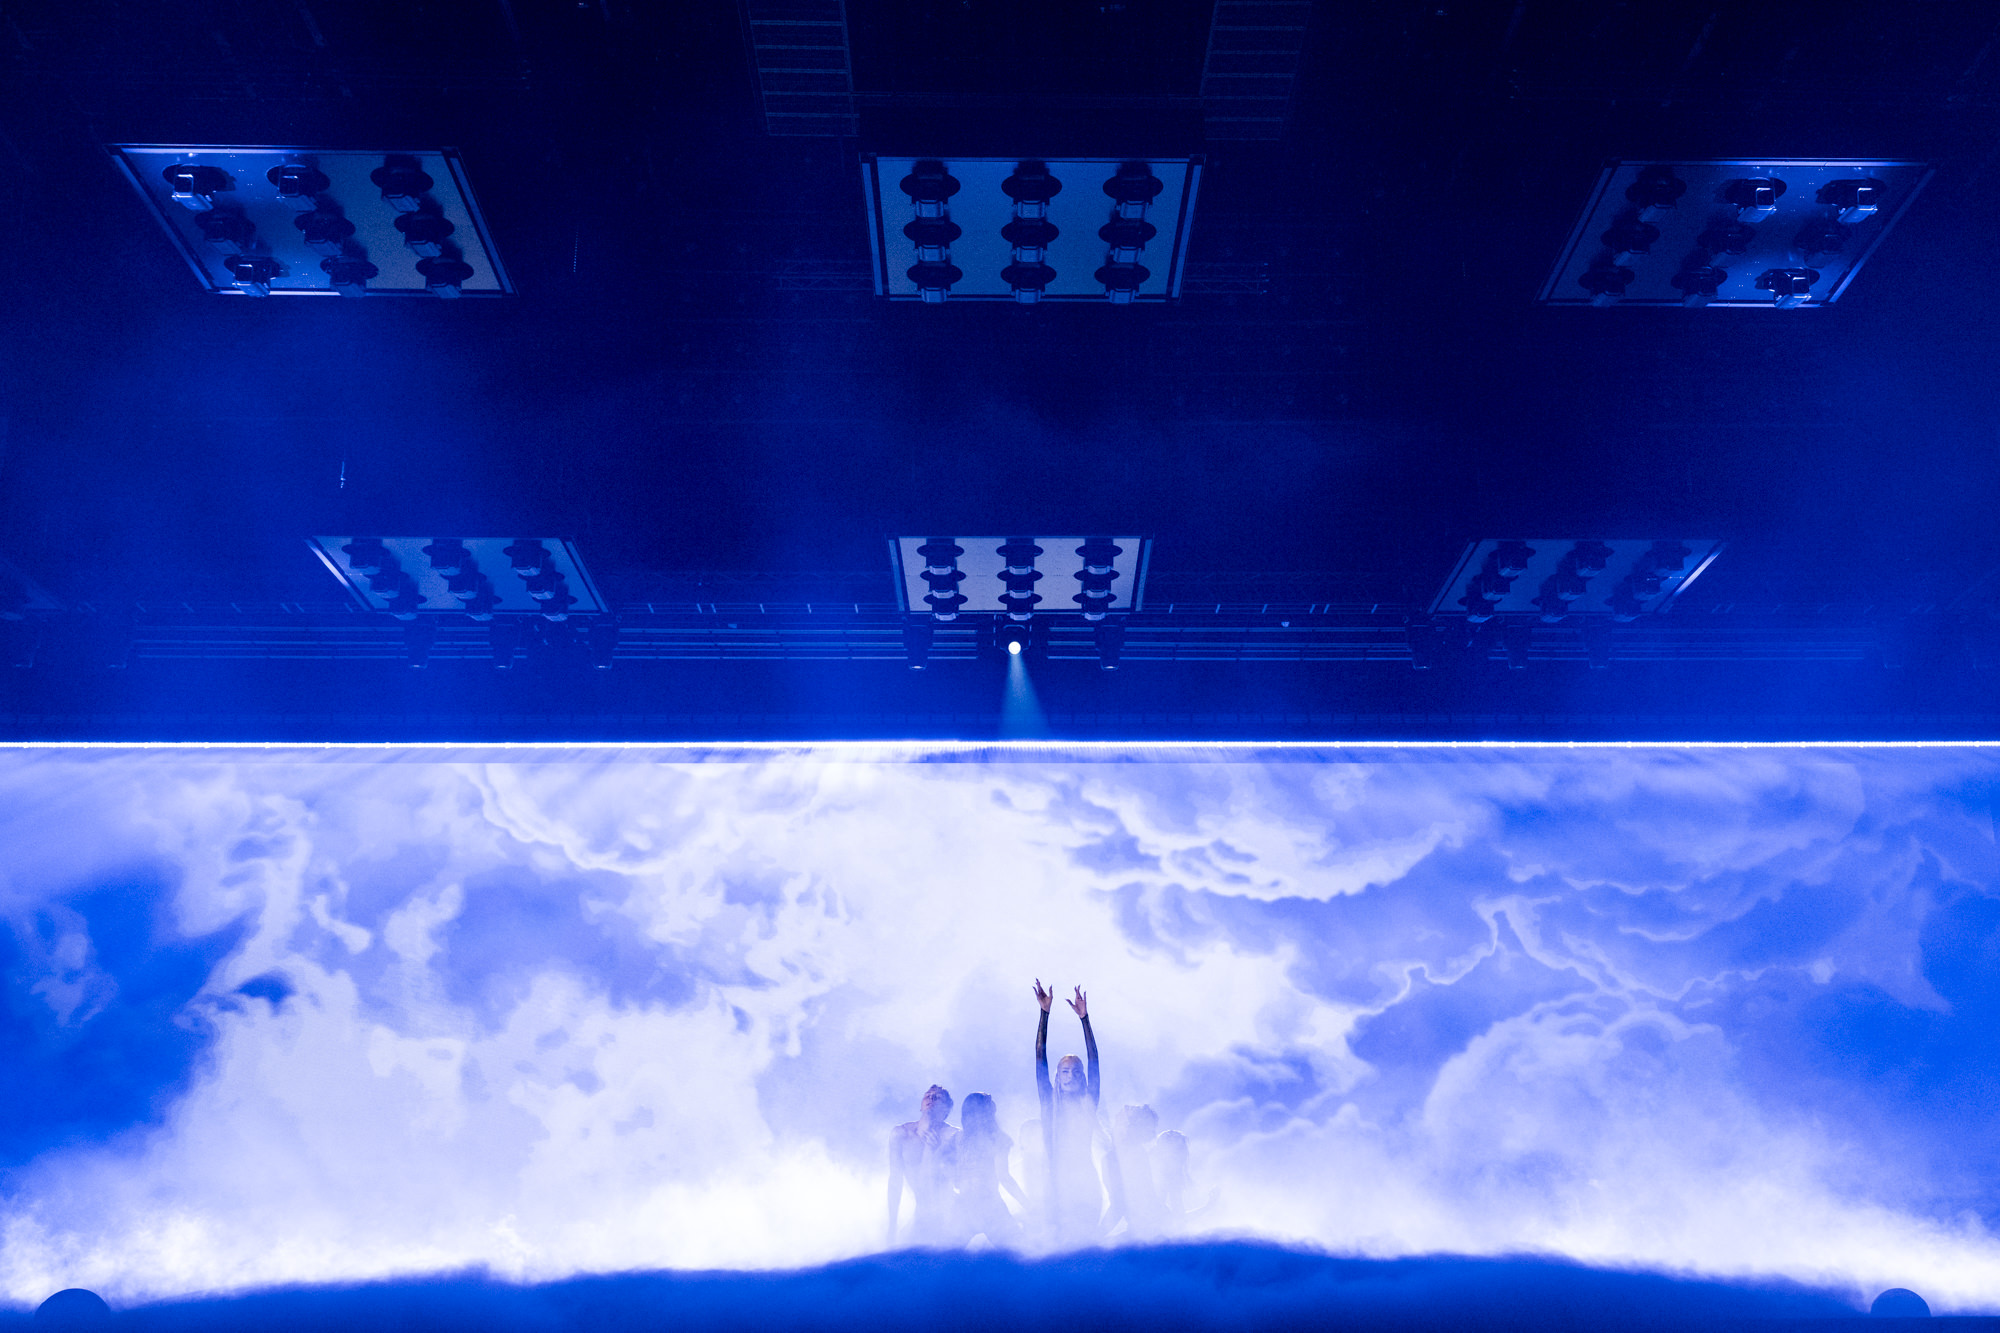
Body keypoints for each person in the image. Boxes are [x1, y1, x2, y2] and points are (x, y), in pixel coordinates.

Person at [1033, 980, 1125, 1243]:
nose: (1070, 1076)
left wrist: (1085, 1019)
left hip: (1085, 1181)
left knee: (1085, 1243)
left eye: (1075, 1071)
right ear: (1057, 1077)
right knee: (1056, 1245)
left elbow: (1094, 1059)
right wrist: (1044, 1014)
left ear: (1082, 1076)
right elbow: (1040, 1057)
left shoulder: (1088, 1102)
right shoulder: (1049, 1102)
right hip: (1054, 1183)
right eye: (1065, 1071)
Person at [887, 1084, 959, 1245]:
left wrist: (937, 1152)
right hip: (921, 1210)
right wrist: (892, 1225)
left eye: (937, 1097)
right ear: (921, 1105)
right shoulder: (901, 1134)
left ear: (946, 1110)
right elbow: (895, 1181)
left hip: (948, 1211)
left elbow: (959, 1178)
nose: (931, 1098)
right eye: (928, 1095)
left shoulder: (953, 1136)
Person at [954, 1092, 1027, 1246]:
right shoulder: (998, 1139)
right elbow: (1004, 1177)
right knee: (1018, 1250)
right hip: (988, 1205)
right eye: (990, 1102)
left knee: (948, 1254)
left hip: (964, 1205)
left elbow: (942, 1169)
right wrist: (1027, 1204)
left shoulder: (958, 1139)